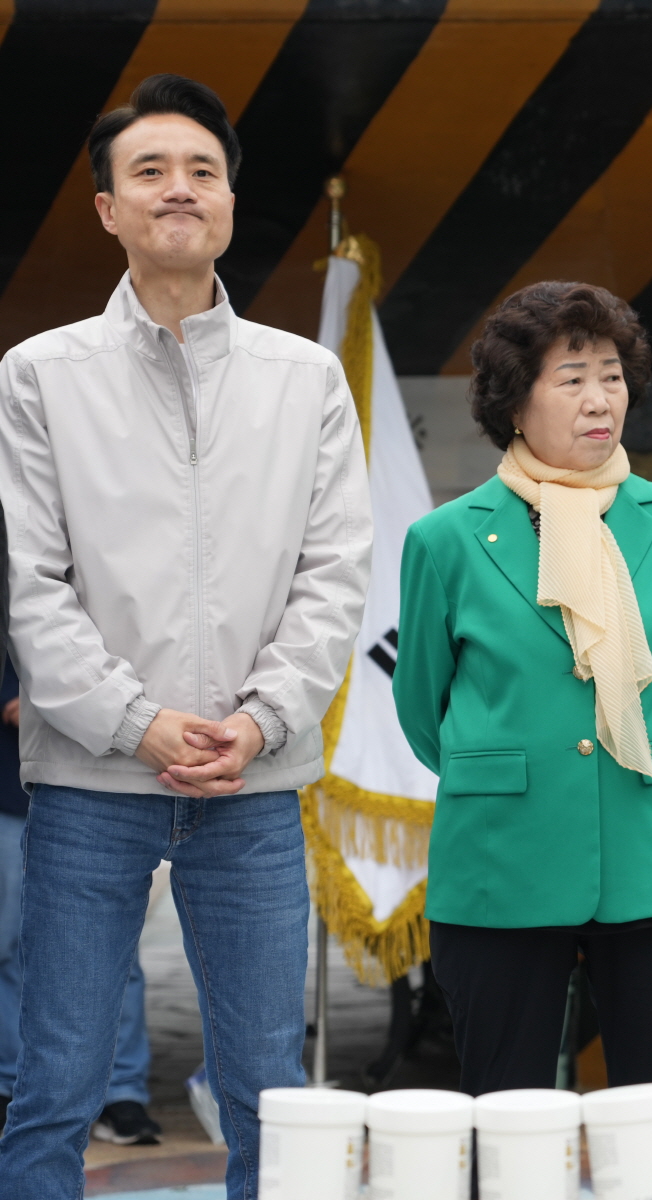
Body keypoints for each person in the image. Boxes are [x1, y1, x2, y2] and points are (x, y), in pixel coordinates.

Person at [0, 75, 373, 1195]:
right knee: (55, 1075)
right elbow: (30, 586)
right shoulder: (39, 377)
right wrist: (137, 723)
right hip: (87, 782)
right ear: (107, 209)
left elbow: (337, 573)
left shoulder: (303, 379)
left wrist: (258, 723)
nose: (180, 189)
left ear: (228, 204)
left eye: (202, 171)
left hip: (252, 786)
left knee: (266, 1081)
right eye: (150, 171)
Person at [394, 281, 652, 1195]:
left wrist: (646, 768)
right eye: (572, 379)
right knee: (504, 1122)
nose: (601, 400)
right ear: (514, 399)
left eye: (613, 376)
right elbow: (425, 709)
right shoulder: (445, 540)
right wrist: (516, 770)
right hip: (502, 857)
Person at [0, 662, 160, 1147]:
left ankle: (121, 1092)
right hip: (14, 793)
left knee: (116, 951)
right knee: (11, 945)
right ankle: (13, 1083)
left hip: (107, 792)